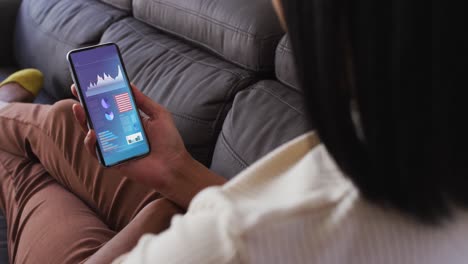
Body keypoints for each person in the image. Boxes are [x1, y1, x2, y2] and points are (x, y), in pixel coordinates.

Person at [1, 0, 467, 263]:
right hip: (189, 205)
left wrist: (180, 220)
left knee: (21, 172)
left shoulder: (237, 240)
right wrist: (180, 173)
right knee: (63, 120)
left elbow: (272, 225)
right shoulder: (403, 147)